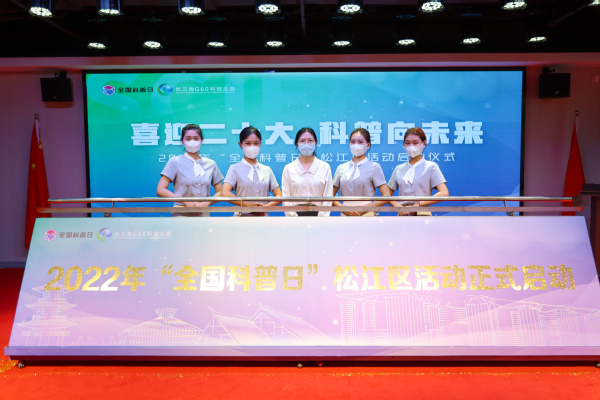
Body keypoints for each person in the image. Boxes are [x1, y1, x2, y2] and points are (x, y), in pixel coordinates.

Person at [156, 124, 223, 217]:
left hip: (203, 213)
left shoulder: (211, 164)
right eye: (188, 139)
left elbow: (221, 191)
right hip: (181, 212)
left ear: (201, 140)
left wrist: (207, 202)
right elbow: (160, 189)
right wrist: (184, 201)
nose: (192, 141)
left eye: (196, 138)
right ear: (182, 141)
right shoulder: (175, 161)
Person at [221, 126, 282, 216]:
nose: (252, 147)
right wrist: (249, 205)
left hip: (263, 218)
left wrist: (265, 207)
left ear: (260, 143)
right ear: (240, 144)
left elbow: (279, 195)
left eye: (256, 143)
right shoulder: (234, 168)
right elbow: (225, 193)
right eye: (248, 143)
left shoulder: (267, 169)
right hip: (241, 218)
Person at [388, 127, 449, 216]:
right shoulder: (398, 168)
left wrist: (418, 204)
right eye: (407, 143)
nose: (411, 146)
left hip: (422, 213)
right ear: (404, 144)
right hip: (402, 214)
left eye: (415, 143)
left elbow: (444, 193)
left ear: (424, 143)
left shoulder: (431, 166)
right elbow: (386, 195)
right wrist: (398, 206)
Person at [333, 128, 391, 216]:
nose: (356, 145)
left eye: (360, 142)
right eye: (353, 142)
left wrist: (363, 208)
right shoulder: (341, 168)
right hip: (345, 215)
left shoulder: (374, 167)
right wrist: (343, 208)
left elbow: (386, 196)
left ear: (368, 145)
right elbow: (329, 196)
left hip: (367, 214)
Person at [281, 127, 333, 217]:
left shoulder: (324, 167)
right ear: (297, 144)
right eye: (302, 141)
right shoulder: (288, 168)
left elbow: (328, 196)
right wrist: (293, 217)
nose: (306, 144)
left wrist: (322, 218)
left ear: (315, 143)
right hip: (295, 217)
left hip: (319, 216)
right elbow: (286, 197)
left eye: (310, 140)